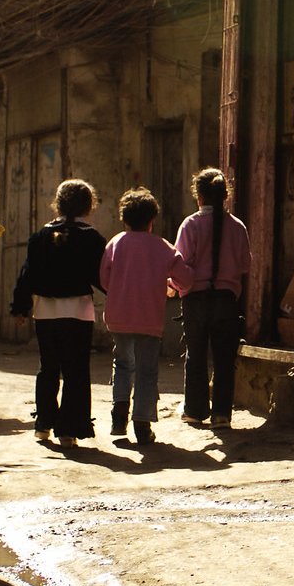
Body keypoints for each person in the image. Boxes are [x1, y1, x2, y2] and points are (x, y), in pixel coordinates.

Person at [11, 178, 108, 446]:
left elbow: (27, 275)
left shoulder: (40, 236)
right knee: (75, 370)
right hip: (78, 312)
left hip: (44, 313)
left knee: (48, 368)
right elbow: (102, 276)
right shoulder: (91, 237)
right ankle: (68, 430)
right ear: (88, 205)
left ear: (59, 204)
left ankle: (43, 424)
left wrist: (20, 307)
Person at [99, 187, 191, 448]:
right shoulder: (163, 247)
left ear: (124, 219)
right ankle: (142, 423)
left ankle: (119, 414)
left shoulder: (115, 243)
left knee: (123, 364)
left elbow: (105, 279)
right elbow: (185, 278)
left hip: (118, 317)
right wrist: (172, 285)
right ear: (152, 220)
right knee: (147, 370)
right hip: (149, 320)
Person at [169, 168, 250, 430]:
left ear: (199, 196)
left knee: (196, 354)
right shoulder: (237, 226)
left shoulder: (190, 225)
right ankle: (221, 414)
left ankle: (194, 410)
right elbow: (245, 264)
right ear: (225, 196)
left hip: (195, 299)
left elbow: (181, 265)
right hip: (226, 300)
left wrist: (178, 286)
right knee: (224, 358)